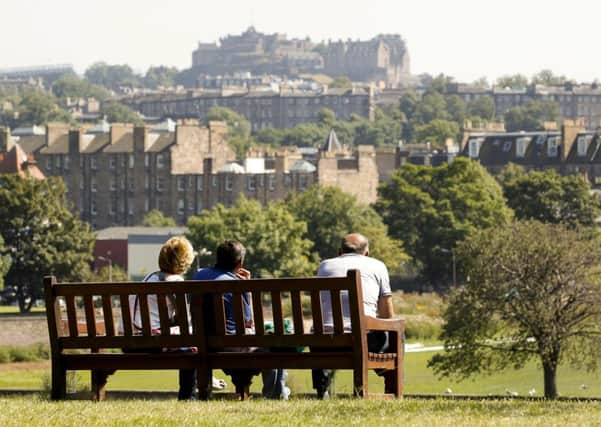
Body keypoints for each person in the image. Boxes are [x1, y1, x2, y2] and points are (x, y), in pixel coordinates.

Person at [129, 235, 226, 400]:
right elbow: (185, 321)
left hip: (130, 341)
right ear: (184, 261)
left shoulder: (149, 278)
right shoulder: (175, 282)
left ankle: (203, 380)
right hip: (152, 341)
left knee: (189, 341)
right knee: (195, 344)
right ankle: (190, 395)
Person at [193, 240, 290, 400]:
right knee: (274, 348)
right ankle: (276, 396)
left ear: (217, 258)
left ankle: (278, 393)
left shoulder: (199, 275)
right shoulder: (237, 284)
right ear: (240, 262)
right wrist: (247, 289)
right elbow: (248, 322)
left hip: (204, 343)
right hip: (233, 345)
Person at [312, 232, 398, 399]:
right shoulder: (378, 266)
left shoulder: (324, 266)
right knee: (397, 332)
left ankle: (322, 391)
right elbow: (387, 315)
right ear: (367, 253)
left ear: (339, 252)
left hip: (324, 344)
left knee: (322, 328)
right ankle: (391, 384)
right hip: (366, 343)